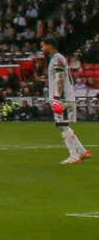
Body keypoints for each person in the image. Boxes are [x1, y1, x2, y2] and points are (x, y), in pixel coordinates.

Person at [43, 38, 90, 166]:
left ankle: (74, 155)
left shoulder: (57, 59)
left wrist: (57, 97)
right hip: (65, 96)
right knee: (64, 125)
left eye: (44, 45)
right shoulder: (57, 58)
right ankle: (82, 151)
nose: (42, 48)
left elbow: (59, 78)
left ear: (50, 46)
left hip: (62, 97)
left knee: (62, 125)